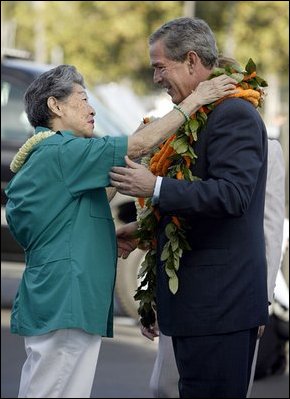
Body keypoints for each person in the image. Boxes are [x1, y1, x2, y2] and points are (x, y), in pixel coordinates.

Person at [4, 64, 236, 398]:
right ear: (55, 106)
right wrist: (195, 100)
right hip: (66, 301)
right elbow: (137, 145)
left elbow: (99, 194)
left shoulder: (51, 154)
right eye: (83, 99)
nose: (92, 108)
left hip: (57, 298)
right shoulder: (62, 151)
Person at [110, 17, 269, 398]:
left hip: (220, 308)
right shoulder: (198, 115)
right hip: (200, 308)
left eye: (160, 66)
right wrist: (146, 230)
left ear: (192, 61)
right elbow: (196, 205)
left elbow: (232, 196)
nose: (155, 78)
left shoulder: (233, 114)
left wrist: (156, 186)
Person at [147, 138, 286, 399]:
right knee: (163, 386)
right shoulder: (179, 142)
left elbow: (271, 228)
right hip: (182, 290)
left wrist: (262, 298)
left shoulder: (268, 147)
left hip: (237, 294)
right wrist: (155, 296)